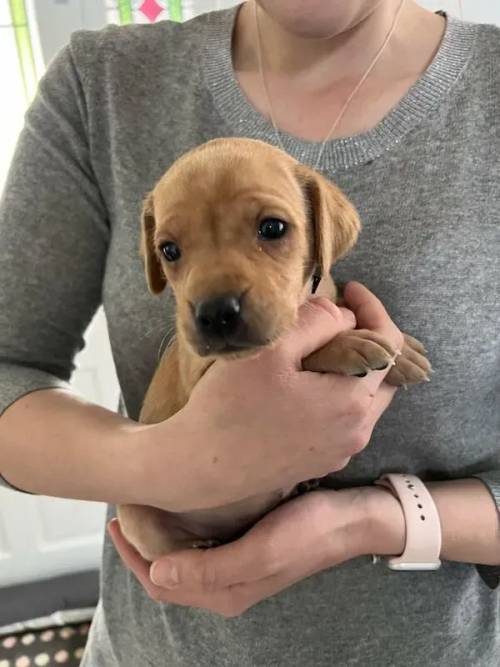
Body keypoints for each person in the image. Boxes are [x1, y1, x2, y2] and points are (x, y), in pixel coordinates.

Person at [0, 0, 499, 664]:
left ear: (323, 232)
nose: (212, 295)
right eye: (173, 254)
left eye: (270, 231)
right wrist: (173, 465)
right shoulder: (104, 84)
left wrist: (364, 523)